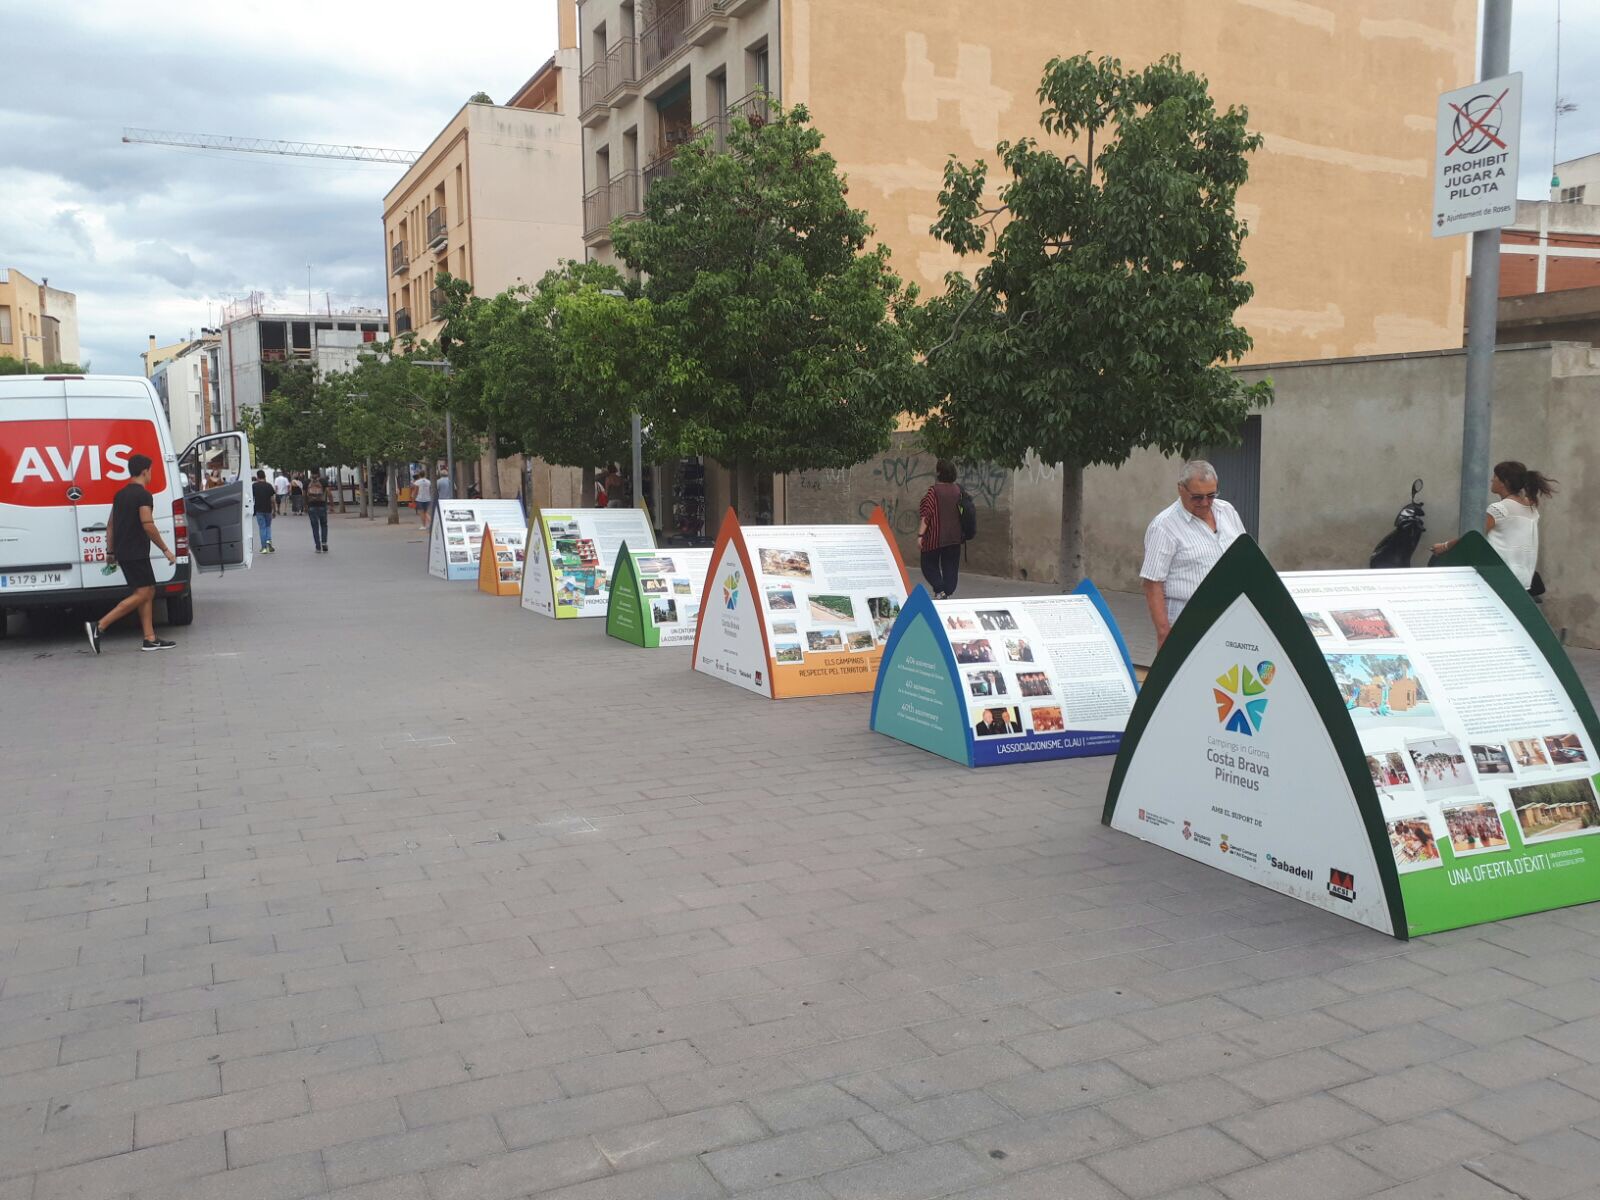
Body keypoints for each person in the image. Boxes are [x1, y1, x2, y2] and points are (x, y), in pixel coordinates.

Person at [1141, 460, 1246, 648]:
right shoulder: (1164, 526)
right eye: (1197, 497)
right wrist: (1164, 633)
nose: (1205, 503)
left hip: (1230, 617)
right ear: (1181, 489)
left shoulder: (1227, 511)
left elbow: (1243, 556)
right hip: (1187, 620)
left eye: (1211, 495)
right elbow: (1152, 583)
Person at [85, 454, 177, 654]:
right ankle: (99, 626)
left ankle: (150, 638)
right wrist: (166, 550)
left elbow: (110, 525)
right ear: (145, 471)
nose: (151, 474)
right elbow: (148, 525)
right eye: (151, 470)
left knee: (148, 591)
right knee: (143, 593)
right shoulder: (143, 495)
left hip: (126, 551)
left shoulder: (120, 495)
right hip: (135, 552)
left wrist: (110, 551)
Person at [1431, 461, 1557, 595]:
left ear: (1505, 482)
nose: (1492, 480)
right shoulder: (1531, 508)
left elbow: (1473, 537)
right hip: (1524, 579)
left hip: (1499, 577)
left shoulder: (1499, 509)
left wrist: (1444, 546)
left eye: (1495, 476)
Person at [917, 460, 964, 598]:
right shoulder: (959, 490)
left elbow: (927, 515)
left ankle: (940, 591)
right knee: (951, 568)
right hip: (954, 537)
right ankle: (946, 592)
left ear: (938, 473)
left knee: (928, 564)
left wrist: (920, 535)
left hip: (935, 538)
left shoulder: (934, 491)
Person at [252, 470, 277, 553]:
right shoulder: (269, 486)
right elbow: (272, 500)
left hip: (259, 509)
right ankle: (269, 544)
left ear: (257, 477)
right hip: (268, 509)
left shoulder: (254, 486)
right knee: (268, 527)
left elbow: (251, 498)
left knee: (262, 528)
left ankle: (264, 548)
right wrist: (274, 510)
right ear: (264, 476)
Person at [304, 472, 330, 553]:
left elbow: (304, 494)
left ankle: (318, 547)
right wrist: (332, 505)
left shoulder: (307, 482)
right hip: (322, 505)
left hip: (311, 506)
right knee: (324, 525)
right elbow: (328, 492)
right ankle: (324, 543)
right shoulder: (323, 481)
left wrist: (305, 505)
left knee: (315, 527)